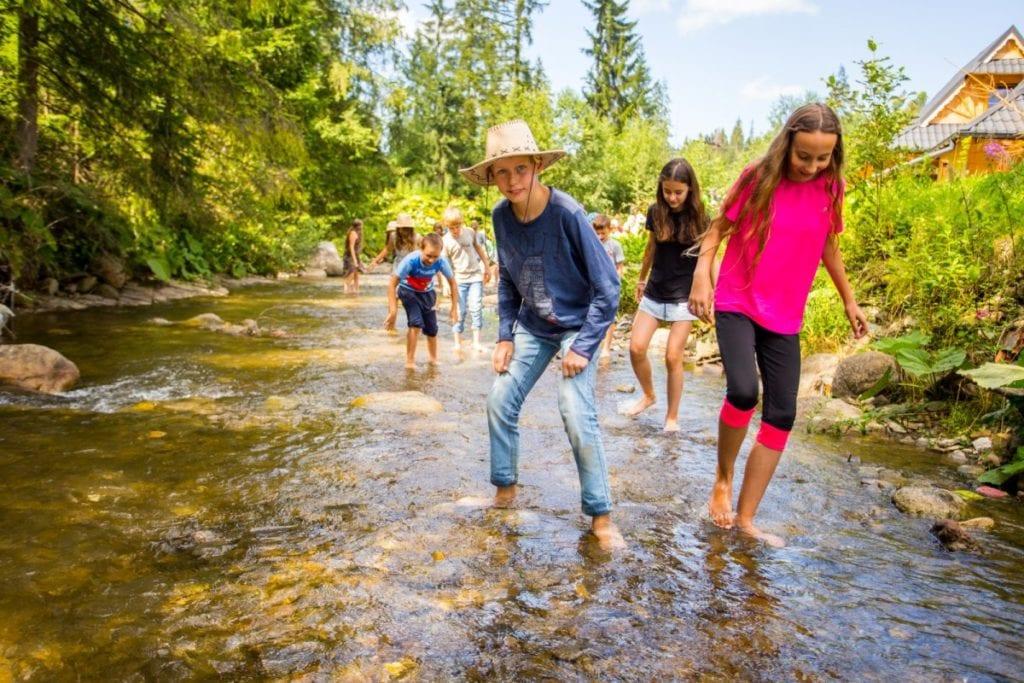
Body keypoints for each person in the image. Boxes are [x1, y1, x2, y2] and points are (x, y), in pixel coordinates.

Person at [688, 103, 868, 547]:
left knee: (783, 414)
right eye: (804, 155)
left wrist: (849, 299)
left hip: (785, 314)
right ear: (788, 143)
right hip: (737, 297)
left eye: (822, 157)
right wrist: (701, 277)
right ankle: (723, 479)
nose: (812, 166)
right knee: (743, 391)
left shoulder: (832, 186)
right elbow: (716, 230)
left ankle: (747, 518)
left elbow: (828, 244)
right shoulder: (758, 176)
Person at [459, 119, 624, 551]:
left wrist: (584, 346)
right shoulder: (500, 216)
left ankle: (601, 516)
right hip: (533, 326)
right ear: (491, 177)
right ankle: (505, 492)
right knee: (499, 399)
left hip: (578, 326)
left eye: (520, 169)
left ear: (537, 166)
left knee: (575, 409)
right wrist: (504, 336)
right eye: (502, 172)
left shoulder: (567, 213)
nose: (512, 180)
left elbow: (609, 286)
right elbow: (509, 279)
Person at [622, 159, 708, 432]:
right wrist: (641, 278)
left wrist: (712, 294)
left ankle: (671, 418)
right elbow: (651, 248)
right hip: (655, 290)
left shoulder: (701, 217)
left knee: (673, 356)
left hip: (684, 297)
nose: (672, 197)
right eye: (667, 191)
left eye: (678, 192)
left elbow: (709, 257)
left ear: (690, 189)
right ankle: (649, 396)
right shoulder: (655, 211)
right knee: (636, 348)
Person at [385, 233, 459, 369]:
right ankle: (410, 361)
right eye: (428, 255)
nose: (431, 260)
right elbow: (392, 284)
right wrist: (393, 311)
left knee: (432, 328)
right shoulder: (411, 260)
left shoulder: (441, 262)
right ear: (421, 249)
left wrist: (454, 308)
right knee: (416, 323)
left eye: (435, 256)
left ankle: (433, 359)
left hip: (427, 293)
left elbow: (453, 283)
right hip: (408, 291)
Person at [442, 207, 492, 352]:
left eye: (457, 226)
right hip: (459, 279)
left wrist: (487, 267)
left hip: (475, 276)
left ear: (462, 222)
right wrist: (446, 284)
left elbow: (479, 249)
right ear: (447, 226)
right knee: (460, 311)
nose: (455, 230)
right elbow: (443, 264)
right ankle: (457, 342)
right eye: (451, 228)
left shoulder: (470, 232)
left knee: (476, 308)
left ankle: (476, 342)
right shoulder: (445, 241)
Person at [592, 213, 625, 360]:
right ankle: (594, 345)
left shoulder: (615, 245)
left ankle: (606, 348)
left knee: (610, 317)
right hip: (595, 284)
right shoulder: (592, 243)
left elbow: (620, 267)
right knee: (593, 314)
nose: (600, 236)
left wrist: (616, 283)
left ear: (610, 230)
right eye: (597, 233)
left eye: (603, 233)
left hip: (611, 285)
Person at [342, 219, 364, 294]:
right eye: (361, 226)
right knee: (351, 274)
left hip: (355, 256)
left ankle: (356, 291)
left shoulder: (357, 233)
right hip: (350, 257)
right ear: (358, 226)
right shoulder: (353, 233)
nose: (362, 228)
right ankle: (346, 291)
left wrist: (358, 259)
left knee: (356, 275)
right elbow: (351, 247)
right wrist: (354, 260)